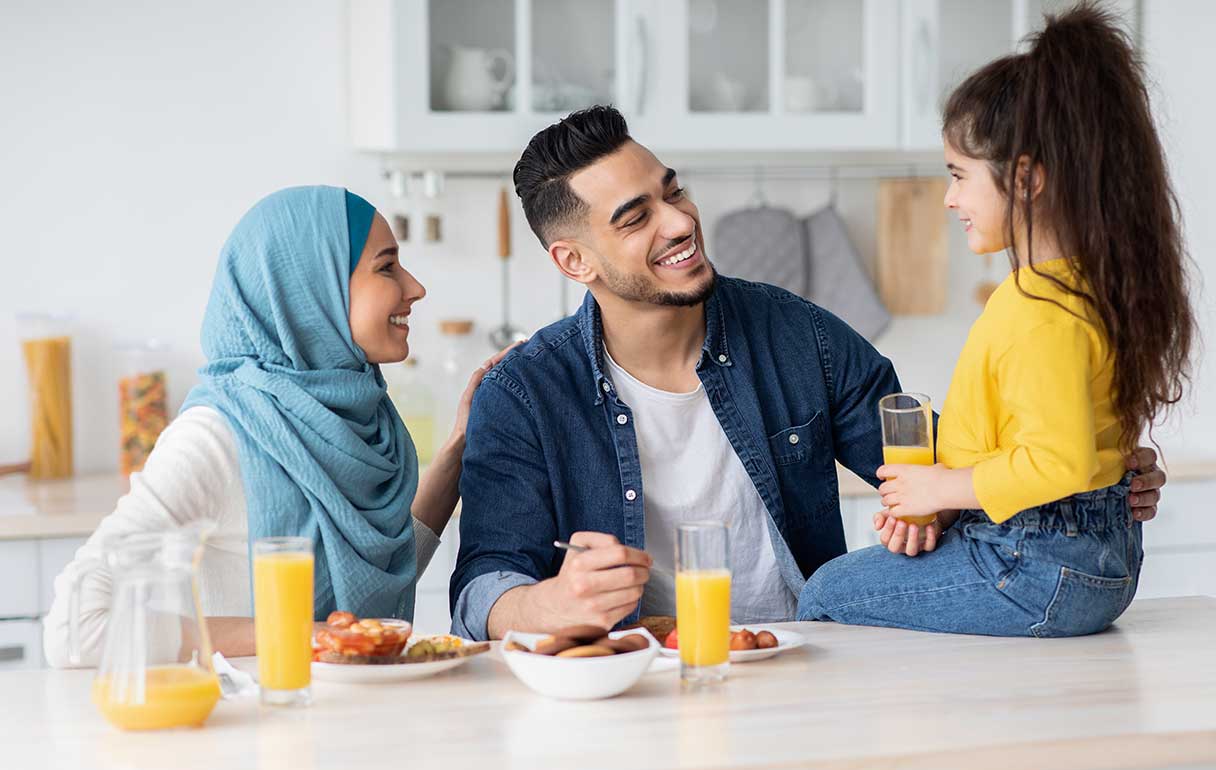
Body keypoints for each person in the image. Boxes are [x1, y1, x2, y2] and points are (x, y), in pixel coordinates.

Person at [448, 105, 1167, 642]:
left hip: (807, 659)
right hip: (638, 676)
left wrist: (1090, 461)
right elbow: (482, 589)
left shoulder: (798, 335)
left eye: (674, 192)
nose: (678, 222)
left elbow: (945, 471)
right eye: (636, 218)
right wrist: (554, 602)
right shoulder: (524, 392)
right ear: (575, 261)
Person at [798, 4, 1195, 637]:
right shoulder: (1094, 284)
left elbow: (1056, 461)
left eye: (959, 175)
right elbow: (1079, 441)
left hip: (1034, 562)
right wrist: (943, 498)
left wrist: (938, 491)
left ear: (1027, 178)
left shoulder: (1037, 306)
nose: (950, 197)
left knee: (826, 591)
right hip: (1094, 559)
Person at [45, 186, 509, 666]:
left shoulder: (366, 422)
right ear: (309, 289)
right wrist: (301, 634)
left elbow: (374, 577)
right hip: (248, 726)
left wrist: (459, 448)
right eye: (386, 267)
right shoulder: (217, 436)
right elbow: (76, 628)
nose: (415, 288)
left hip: (355, 724)